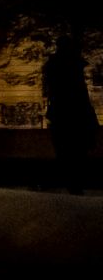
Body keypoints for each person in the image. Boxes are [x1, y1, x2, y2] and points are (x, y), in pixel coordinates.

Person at [45, 36, 97, 194]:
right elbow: (80, 95)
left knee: (68, 154)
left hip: (63, 116)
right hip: (73, 116)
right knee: (76, 154)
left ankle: (74, 185)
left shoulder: (55, 66)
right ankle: (76, 186)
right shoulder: (72, 68)